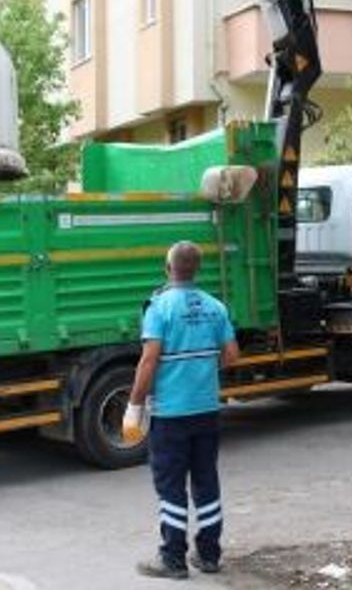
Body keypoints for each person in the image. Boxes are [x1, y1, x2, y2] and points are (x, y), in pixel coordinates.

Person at [124, 241, 240, 580]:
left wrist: (134, 405)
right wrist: (202, 366)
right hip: (206, 409)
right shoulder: (215, 307)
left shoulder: (159, 307)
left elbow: (149, 360)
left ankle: (172, 559)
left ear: (168, 268)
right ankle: (209, 555)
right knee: (206, 480)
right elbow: (232, 355)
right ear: (197, 269)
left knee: (171, 485)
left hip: (171, 414)